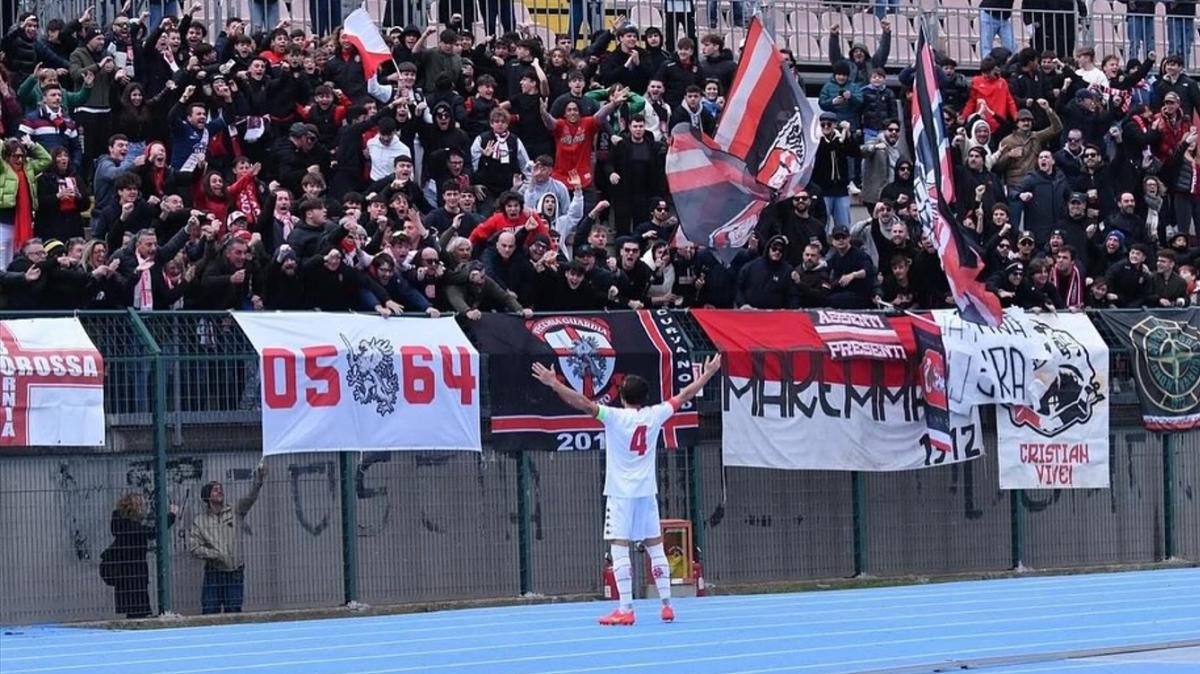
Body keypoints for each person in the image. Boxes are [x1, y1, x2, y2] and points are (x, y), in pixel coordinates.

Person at [530, 353, 722, 626]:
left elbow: (583, 403)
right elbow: (686, 394)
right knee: (655, 545)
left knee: (619, 547)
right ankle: (667, 605)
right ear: (645, 397)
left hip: (621, 492)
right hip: (646, 491)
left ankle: (626, 608)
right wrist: (709, 373)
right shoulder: (655, 414)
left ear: (621, 396)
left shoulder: (615, 417)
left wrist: (554, 383)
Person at [186, 460, 268, 614]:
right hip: (214, 573)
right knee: (210, 611)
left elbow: (250, 498)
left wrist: (258, 481)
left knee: (233, 611)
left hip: (234, 572)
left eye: (221, 489)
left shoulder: (235, 511)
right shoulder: (200, 521)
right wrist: (215, 554)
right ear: (207, 497)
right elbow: (194, 547)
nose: (220, 492)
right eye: (215, 490)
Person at [107, 493, 178, 619]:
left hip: (124, 574)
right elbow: (154, 532)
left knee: (133, 611)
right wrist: (171, 515)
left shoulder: (120, 525)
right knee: (139, 609)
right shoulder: (132, 528)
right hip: (134, 574)